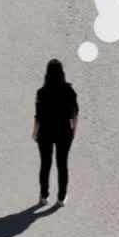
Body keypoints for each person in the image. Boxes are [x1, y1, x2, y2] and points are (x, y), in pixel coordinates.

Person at [33, 58, 79, 207]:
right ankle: (61, 197)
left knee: (45, 164)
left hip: (45, 131)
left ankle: (44, 196)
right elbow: (74, 113)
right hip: (64, 131)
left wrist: (35, 132)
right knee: (62, 164)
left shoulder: (41, 92)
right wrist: (74, 130)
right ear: (62, 73)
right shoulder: (69, 91)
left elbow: (38, 116)